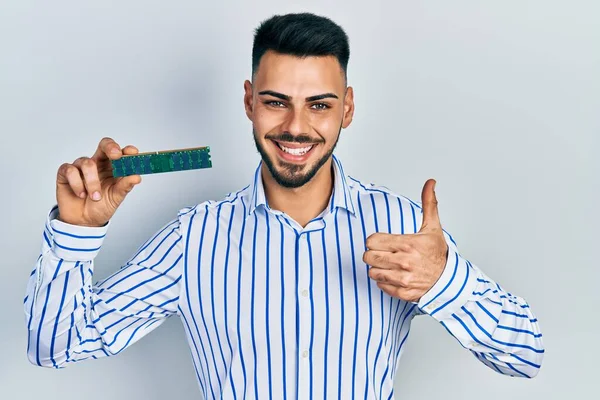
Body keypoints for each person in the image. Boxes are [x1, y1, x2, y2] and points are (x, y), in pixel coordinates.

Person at [23, 12, 544, 399]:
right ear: (249, 101)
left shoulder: (405, 228)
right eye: (276, 102)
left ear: (349, 109)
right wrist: (76, 232)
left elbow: (525, 354)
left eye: (320, 104)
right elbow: (57, 346)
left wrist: (444, 281)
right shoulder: (194, 238)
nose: (297, 127)